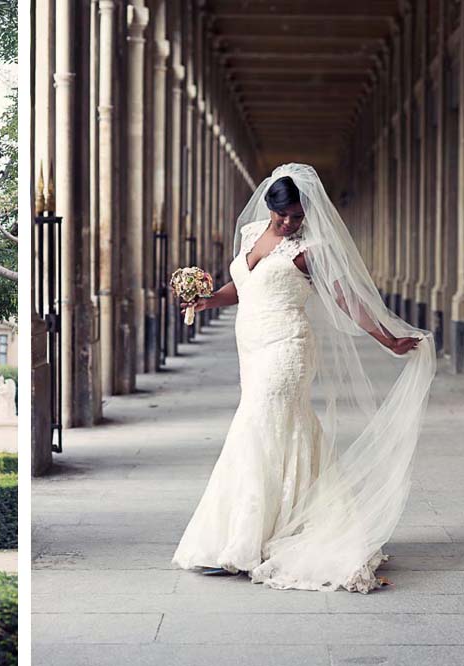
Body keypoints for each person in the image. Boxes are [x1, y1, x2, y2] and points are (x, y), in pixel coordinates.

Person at [172, 163, 436, 593]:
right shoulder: (252, 234)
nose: (291, 224)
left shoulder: (310, 249)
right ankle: (286, 523)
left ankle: (245, 540)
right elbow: (242, 286)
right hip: (252, 349)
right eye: (284, 217)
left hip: (287, 349)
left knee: (257, 426)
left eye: (297, 216)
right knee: (281, 429)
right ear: (270, 209)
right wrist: (207, 301)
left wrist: (387, 338)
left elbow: (347, 300)